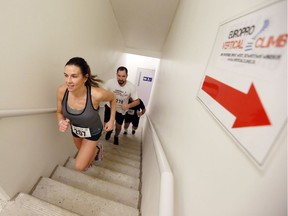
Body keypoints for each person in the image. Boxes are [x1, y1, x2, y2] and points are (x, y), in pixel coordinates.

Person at [56, 57, 116, 172]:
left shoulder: (96, 94)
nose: (68, 81)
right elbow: (59, 112)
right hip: (76, 129)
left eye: (74, 76)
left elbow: (113, 97)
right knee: (86, 156)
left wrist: (111, 119)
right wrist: (60, 121)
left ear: (85, 78)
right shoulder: (61, 91)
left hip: (93, 130)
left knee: (80, 166)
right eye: (66, 75)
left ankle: (96, 149)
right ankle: (95, 151)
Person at [103, 66, 140, 145]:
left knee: (118, 127)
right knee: (107, 125)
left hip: (121, 110)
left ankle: (116, 136)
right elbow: (102, 93)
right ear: (116, 75)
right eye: (119, 76)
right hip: (109, 107)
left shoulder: (131, 87)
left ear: (127, 76)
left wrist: (128, 105)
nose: (120, 78)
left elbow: (137, 102)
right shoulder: (110, 82)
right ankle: (109, 132)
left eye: (123, 76)